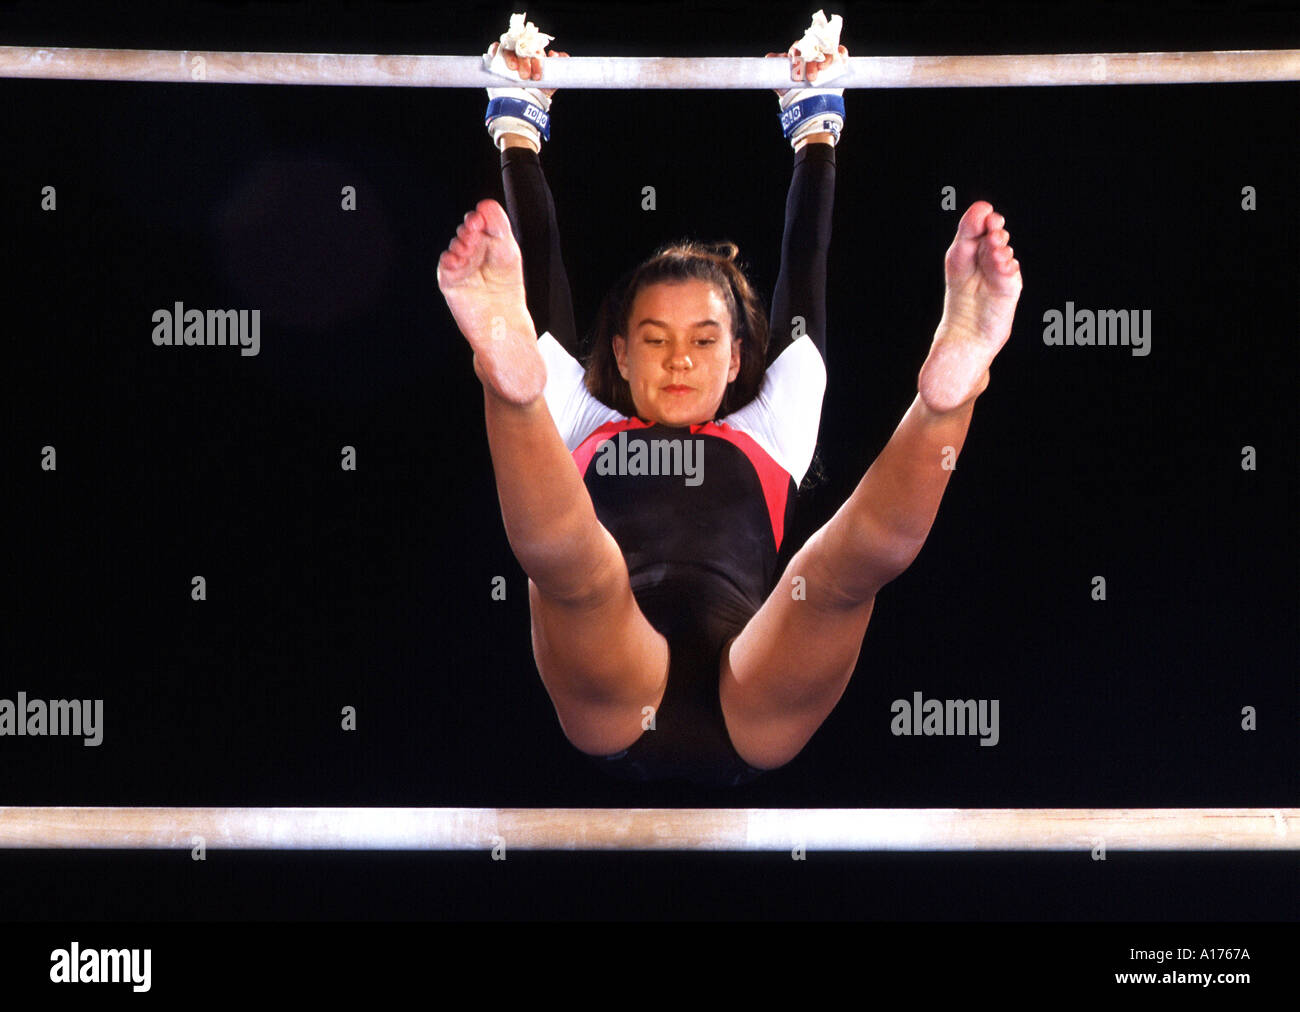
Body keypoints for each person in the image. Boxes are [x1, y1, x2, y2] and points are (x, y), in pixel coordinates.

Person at [437, 18, 1023, 786]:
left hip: (758, 677)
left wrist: (818, 126)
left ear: (741, 355)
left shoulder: (770, 420)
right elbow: (536, 271)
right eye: (653, 338)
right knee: (581, 575)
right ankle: (504, 385)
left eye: (705, 340)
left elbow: (804, 257)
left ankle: (950, 394)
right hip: (616, 675)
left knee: (836, 573)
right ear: (615, 352)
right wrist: (517, 125)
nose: (680, 356)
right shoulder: (584, 413)